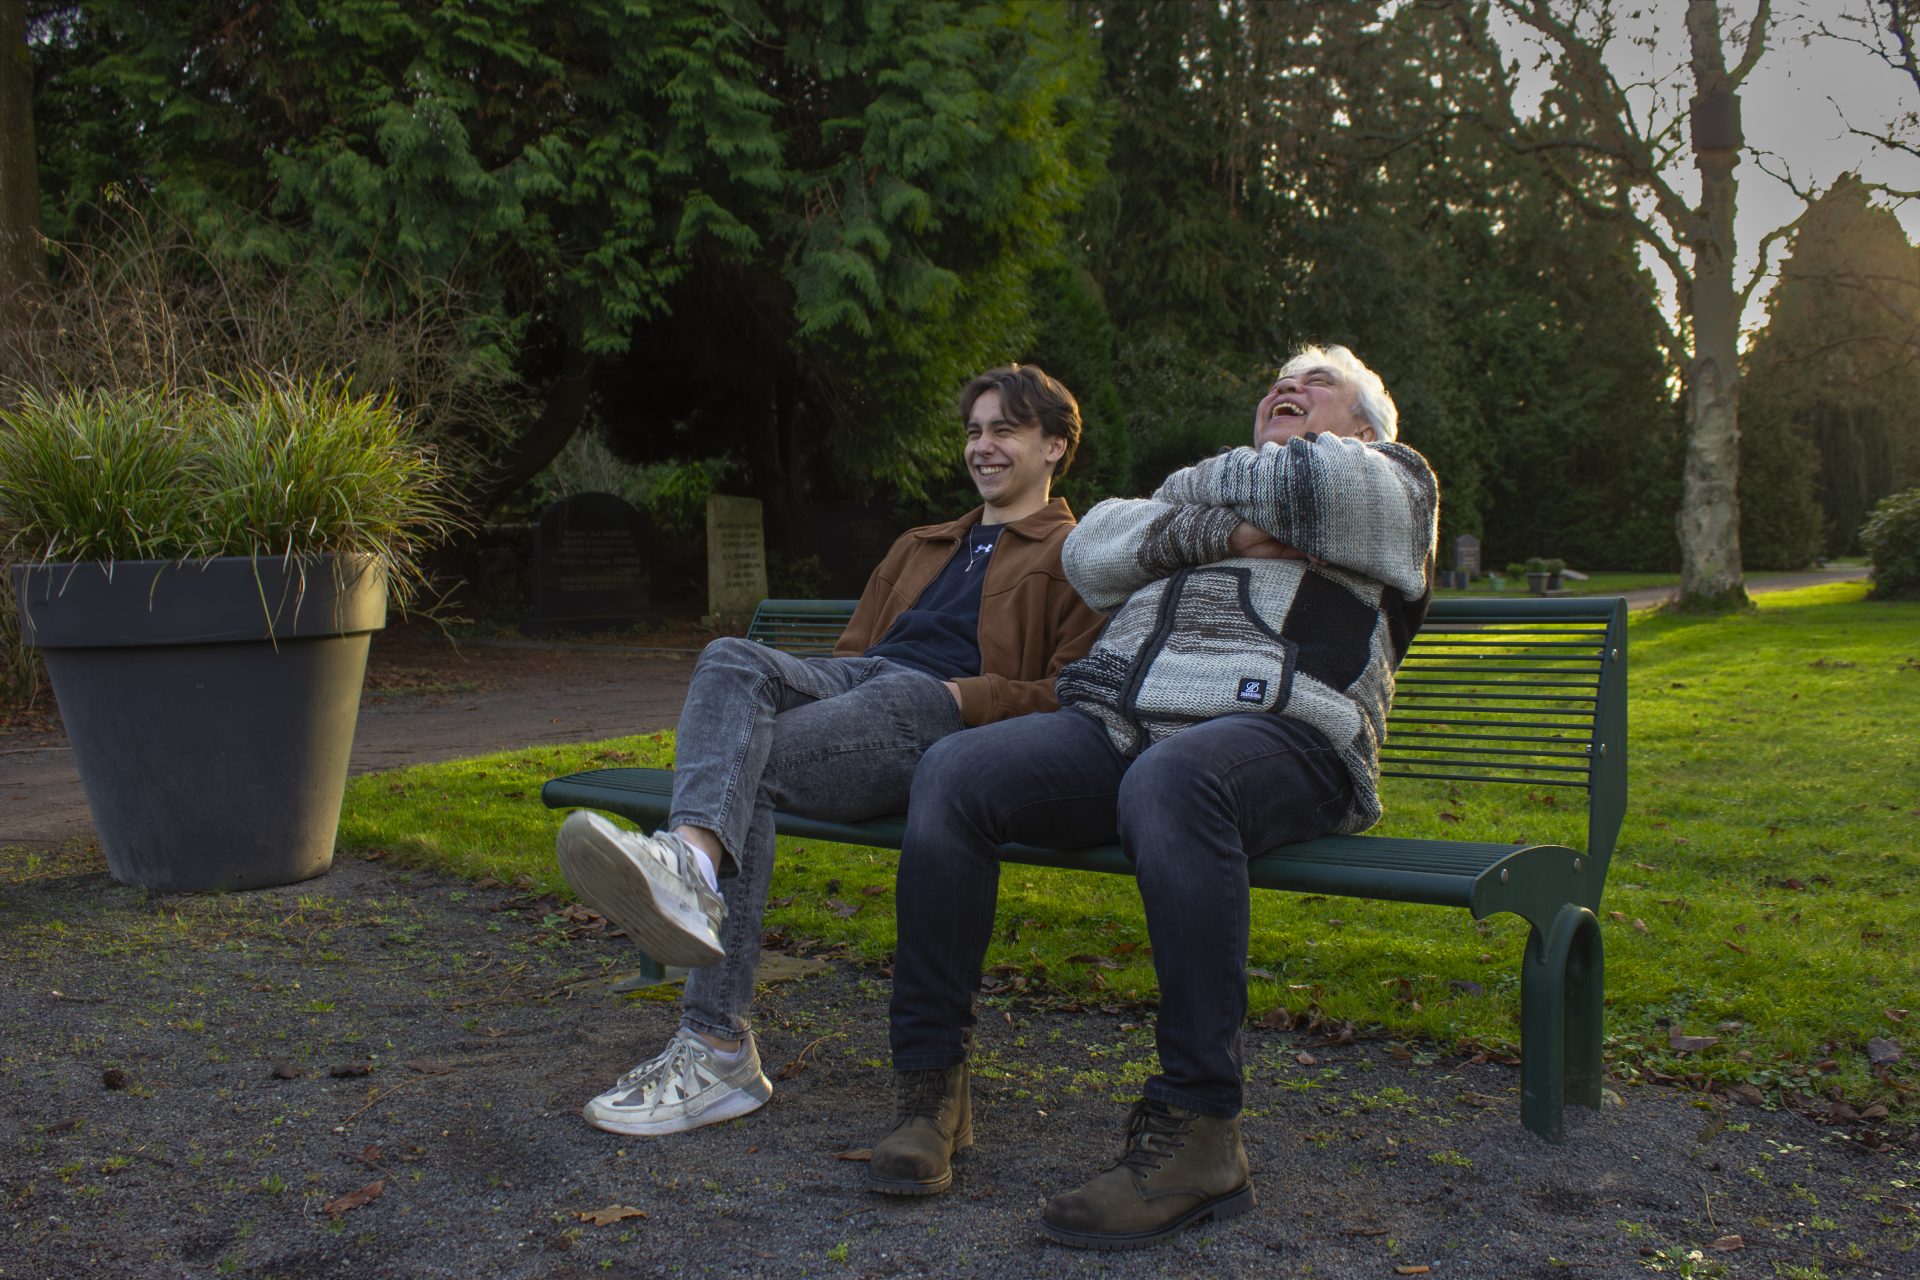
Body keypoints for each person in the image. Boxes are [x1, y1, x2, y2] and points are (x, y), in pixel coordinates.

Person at [867, 345, 1439, 1250]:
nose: (1286, 388)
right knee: (953, 771)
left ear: (1367, 428)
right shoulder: (1232, 499)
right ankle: (931, 1089)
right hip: (1122, 727)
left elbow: (1310, 488)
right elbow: (1092, 549)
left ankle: (1201, 1130)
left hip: (1287, 732)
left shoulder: (1394, 483)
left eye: (1316, 384)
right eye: (1278, 383)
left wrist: (1184, 508)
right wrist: (1233, 532)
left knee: (1177, 781)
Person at [554, 365, 1106, 1137]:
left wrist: (966, 696)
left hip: (944, 718)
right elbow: (853, 657)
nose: (981, 446)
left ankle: (714, 1042)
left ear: (1054, 446)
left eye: (1003, 431)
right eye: (974, 431)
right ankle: (691, 863)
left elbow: (1074, 693)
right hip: (863, 690)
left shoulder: (1081, 555)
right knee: (729, 657)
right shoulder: (922, 544)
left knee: (745, 769)